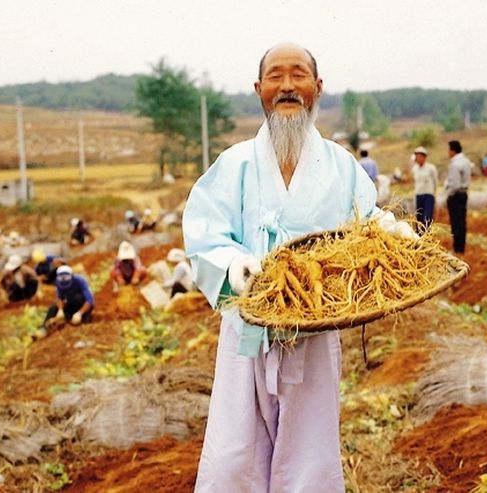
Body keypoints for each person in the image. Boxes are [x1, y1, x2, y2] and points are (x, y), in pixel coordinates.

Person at [182, 43, 417, 492]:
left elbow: (365, 225)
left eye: (298, 75)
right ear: (259, 89)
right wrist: (233, 265)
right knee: (235, 457)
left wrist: (393, 236)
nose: (287, 86)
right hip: (247, 331)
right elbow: (204, 233)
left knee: (308, 457)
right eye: (275, 76)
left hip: (314, 333)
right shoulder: (234, 165)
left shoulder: (340, 167)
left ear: (317, 87)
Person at [41, 265, 94, 334]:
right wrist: (60, 310)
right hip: (71, 303)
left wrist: (80, 313)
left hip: (82, 305)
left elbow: (89, 301)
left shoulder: (80, 281)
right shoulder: (58, 283)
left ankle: (75, 320)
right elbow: (59, 298)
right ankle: (44, 329)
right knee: (53, 308)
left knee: (78, 300)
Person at [445, 140, 471, 254]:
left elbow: (455, 185)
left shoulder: (455, 164)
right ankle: (461, 247)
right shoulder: (466, 162)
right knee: (462, 221)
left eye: (448, 150)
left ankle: (457, 248)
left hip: (456, 195)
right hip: (463, 194)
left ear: (452, 150)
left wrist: (449, 194)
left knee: (456, 222)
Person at [411, 146, 438, 232]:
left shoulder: (431, 168)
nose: (417, 158)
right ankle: (419, 237)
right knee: (419, 217)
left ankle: (427, 235)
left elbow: (435, 182)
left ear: (424, 157)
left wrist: (434, 194)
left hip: (428, 195)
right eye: (416, 156)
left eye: (419, 156)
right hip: (419, 195)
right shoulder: (415, 169)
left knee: (427, 217)